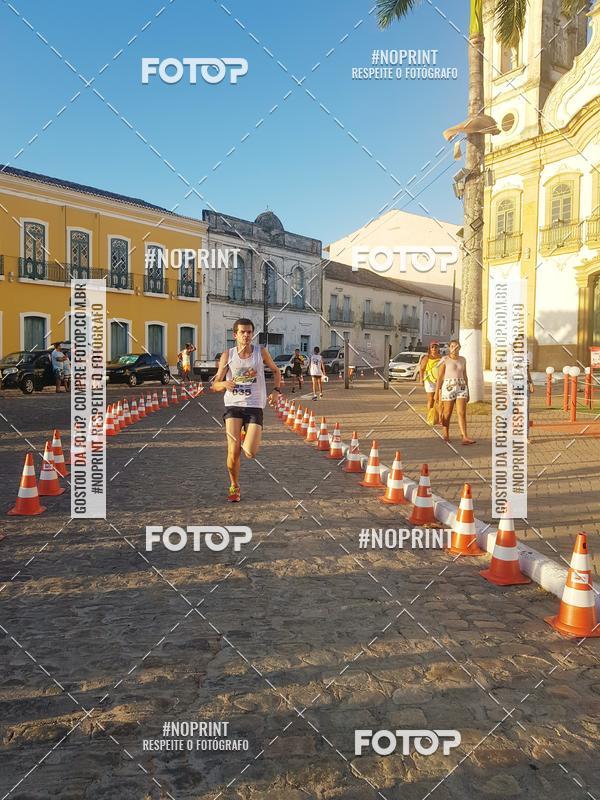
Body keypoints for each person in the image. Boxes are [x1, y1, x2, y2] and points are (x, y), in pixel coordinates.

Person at [212, 318, 282, 502]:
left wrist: (276, 390)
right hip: (234, 406)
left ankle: (247, 435)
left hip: (254, 405)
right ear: (235, 335)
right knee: (233, 451)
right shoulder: (228, 355)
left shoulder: (261, 352)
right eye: (242, 332)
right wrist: (223, 383)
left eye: (249, 332)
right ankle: (234, 485)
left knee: (250, 453)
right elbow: (214, 385)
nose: (246, 335)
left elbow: (276, 371)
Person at [435, 339, 476, 445]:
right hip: (448, 386)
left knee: (461, 412)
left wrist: (468, 390)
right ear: (449, 347)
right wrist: (436, 393)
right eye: (452, 346)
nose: (454, 348)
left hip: (461, 386)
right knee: (447, 413)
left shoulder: (463, 359)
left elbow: (465, 375)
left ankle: (464, 436)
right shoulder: (445, 359)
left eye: (456, 346)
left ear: (460, 347)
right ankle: (445, 434)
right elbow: (439, 377)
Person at [419, 342, 442, 422]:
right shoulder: (426, 358)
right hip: (429, 381)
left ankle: (439, 418)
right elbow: (421, 369)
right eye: (432, 347)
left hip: (439, 381)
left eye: (436, 347)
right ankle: (430, 416)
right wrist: (421, 380)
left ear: (438, 348)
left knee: (439, 400)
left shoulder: (441, 358)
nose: (434, 349)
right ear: (430, 348)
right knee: (431, 399)